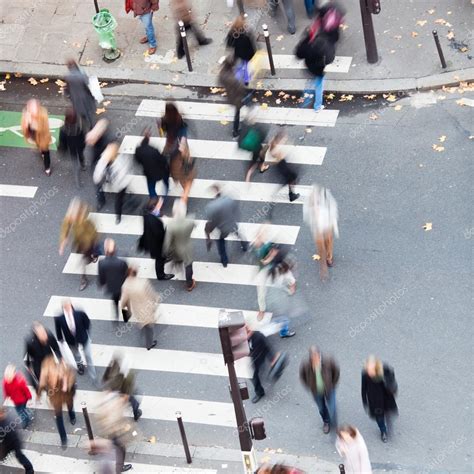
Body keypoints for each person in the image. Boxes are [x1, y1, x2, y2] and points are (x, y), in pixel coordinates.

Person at [295, 3, 343, 111]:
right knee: (318, 86)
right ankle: (317, 106)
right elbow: (330, 58)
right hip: (318, 70)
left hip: (308, 67)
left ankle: (306, 98)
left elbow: (298, 54)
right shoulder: (322, 45)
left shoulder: (306, 44)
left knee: (310, 82)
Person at [59, 197, 100, 291]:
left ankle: (83, 279)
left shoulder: (86, 220)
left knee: (85, 260)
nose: (71, 218)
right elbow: (65, 228)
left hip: (88, 243)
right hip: (79, 243)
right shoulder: (70, 218)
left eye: (73, 216)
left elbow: (93, 232)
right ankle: (84, 277)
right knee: (84, 260)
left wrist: (91, 243)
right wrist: (63, 242)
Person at [37, 356, 76, 449]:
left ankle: (72, 416)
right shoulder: (46, 368)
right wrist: (38, 394)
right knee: (58, 417)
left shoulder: (65, 368)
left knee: (70, 405)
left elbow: (72, 379)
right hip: (55, 396)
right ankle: (63, 439)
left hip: (66, 394)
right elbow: (42, 383)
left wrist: (66, 382)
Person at [54, 299, 97, 382]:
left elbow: (87, 323)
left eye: (68, 306)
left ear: (71, 305)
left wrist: (86, 333)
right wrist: (60, 339)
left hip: (83, 337)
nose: (67, 308)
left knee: (88, 355)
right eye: (65, 307)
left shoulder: (79, 313)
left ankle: (93, 374)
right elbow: (58, 328)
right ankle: (79, 364)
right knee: (75, 353)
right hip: (70, 339)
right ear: (63, 307)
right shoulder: (59, 318)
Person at [205, 185, 247, 267]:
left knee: (221, 241)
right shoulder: (228, 200)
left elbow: (211, 221)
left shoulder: (211, 207)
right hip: (232, 223)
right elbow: (236, 210)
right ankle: (244, 245)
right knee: (237, 233)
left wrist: (208, 238)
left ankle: (224, 261)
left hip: (223, 228)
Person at [300, 346, 340, 433]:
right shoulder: (306, 365)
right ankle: (326, 421)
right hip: (316, 391)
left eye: (317, 356)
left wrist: (332, 384)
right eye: (313, 357)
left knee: (333, 407)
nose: (315, 359)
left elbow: (336, 372)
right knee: (321, 408)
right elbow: (302, 377)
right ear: (310, 357)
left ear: (319, 355)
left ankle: (334, 423)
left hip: (329, 389)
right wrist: (310, 386)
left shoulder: (328, 360)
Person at [303, 184, 339, 280]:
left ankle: (329, 256)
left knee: (328, 242)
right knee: (320, 246)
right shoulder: (309, 205)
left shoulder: (326, 200)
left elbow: (333, 211)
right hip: (317, 227)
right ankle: (324, 264)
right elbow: (307, 217)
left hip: (327, 224)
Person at [257, 257, 297, 338]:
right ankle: (281, 330)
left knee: (282, 316)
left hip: (276, 295)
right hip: (269, 291)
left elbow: (293, 284)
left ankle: (281, 330)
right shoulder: (271, 269)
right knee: (282, 316)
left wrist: (290, 291)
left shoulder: (286, 273)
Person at [93, 143, 132, 224]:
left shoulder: (121, 162)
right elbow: (98, 170)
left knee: (118, 201)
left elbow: (123, 176)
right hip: (107, 178)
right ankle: (101, 201)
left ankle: (118, 216)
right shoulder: (104, 159)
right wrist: (98, 179)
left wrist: (118, 185)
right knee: (99, 189)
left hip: (120, 184)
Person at [361, 356, 398, 443]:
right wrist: (364, 401)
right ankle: (383, 431)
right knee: (379, 418)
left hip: (386, 398)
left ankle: (389, 425)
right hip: (374, 400)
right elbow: (364, 387)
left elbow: (393, 384)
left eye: (371, 369)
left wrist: (386, 381)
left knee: (388, 414)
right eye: (368, 369)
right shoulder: (365, 374)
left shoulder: (385, 371)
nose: (369, 372)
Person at [120, 267, 159, 349]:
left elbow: (123, 300)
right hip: (147, 307)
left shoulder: (126, 285)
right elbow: (151, 293)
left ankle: (142, 328)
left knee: (143, 322)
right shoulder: (143, 282)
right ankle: (149, 344)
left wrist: (124, 307)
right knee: (149, 327)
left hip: (137, 309)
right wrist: (156, 299)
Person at [95, 389, 133, 472]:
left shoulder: (108, 397)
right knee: (121, 451)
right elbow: (115, 421)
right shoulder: (117, 402)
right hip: (115, 434)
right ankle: (119, 468)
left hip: (106, 432)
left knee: (110, 450)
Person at [138, 198, 175, 281]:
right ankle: (161, 275)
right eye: (159, 204)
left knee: (160, 257)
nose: (161, 205)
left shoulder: (146, 213)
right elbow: (159, 235)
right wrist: (165, 225)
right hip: (156, 244)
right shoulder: (154, 221)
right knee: (160, 259)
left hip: (151, 240)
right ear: (154, 207)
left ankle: (164, 259)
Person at [163, 200, 196, 291]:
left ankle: (177, 263)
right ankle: (189, 284)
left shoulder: (171, 225)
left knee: (178, 257)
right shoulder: (190, 221)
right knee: (188, 265)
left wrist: (166, 251)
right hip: (186, 247)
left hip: (176, 247)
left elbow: (167, 242)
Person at [246, 326, 282, 403]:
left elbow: (267, 347)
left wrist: (273, 358)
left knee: (259, 373)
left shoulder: (258, 336)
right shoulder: (242, 340)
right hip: (252, 359)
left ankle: (272, 375)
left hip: (260, 356)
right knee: (253, 376)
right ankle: (259, 392)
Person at [102, 353, 142, 421]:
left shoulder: (114, 364)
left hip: (115, 389)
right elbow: (127, 392)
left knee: (128, 400)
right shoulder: (128, 374)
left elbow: (106, 377)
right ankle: (136, 413)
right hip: (120, 390)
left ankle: (134, 412)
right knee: (133, 401)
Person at [85, 119, 114, 211]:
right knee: (97, 184)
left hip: (105, 162)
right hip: (98, 162)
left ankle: (102, 200)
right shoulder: (99, 139)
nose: (90, 143)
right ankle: (101, 200)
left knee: (99, 181)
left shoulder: (106, 140)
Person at [218, 56, 249, 138]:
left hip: (230, 97)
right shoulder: (233, 78)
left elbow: (220, 82)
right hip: (238, 98)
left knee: (237, 112)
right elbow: (240, 88)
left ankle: (235, 130)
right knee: (240, 112)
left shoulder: (222, 74)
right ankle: (236, 130)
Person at [25, 322, 62, 390]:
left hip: (50, 360)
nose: (45, 335)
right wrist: (28, 365)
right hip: (38, 363)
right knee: (41, 379)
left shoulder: (50, 336)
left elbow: (56, 348)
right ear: (37, 334)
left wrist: (60, 358)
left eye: (44, 332)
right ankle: (47, 389)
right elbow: (28, 354)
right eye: (42, 334)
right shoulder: (30, 342)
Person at [264, 131, 300, 202]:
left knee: (290, 178)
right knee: (291, 177)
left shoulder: (274, 144)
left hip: (281, 164)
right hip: (282, 165)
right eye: (283, 139)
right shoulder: (275, 148)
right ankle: (290, 194)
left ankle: (291, 194)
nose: (284, 140)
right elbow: (279, 157)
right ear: (279, 139)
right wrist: (288, 148)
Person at [98, 239, 129, 320]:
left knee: (115, 301)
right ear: (115, 249)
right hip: (123, 287)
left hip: (112, 287)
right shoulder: (121, 262)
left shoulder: (101, 263)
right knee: (125, 302)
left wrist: (102, 285)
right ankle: (125, 316)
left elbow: (102, 277)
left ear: (105, 251)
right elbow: (127, 275)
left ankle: (116, 314)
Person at [134, 129, 169, 199]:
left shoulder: (138, 150)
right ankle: (163, 198)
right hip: (161, 172)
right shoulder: (154, 150)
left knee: (151, 187)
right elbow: (163, 160)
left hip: (149, 174)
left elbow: (137, 161)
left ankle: (153, 197)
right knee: (166, 184)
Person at [21, 99, 52, 175]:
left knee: (46, 152)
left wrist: (34, 124)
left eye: (33, 109)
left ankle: (47, 167)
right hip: (34, 134)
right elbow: (24, 127)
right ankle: (40, 149)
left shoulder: (43, 114)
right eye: (30, 109)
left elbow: (45, 128)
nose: (32, 111)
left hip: (42, 136)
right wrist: (27, 123)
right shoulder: (26, 114)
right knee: (38, 145)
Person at [0, 407, 34, 473]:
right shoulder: (4, 421)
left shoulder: (7, 422)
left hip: (14, 442)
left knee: (19, 456)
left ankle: (30, 470)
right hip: (7, 443)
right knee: (17, 455)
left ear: (3, 413)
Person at [64, 60, 96, 130]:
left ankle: (81, 124)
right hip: (85, 98)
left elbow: (67, 88)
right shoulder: (82, 75)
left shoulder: (68, 77)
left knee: (79, 112)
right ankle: (91, 126)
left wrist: (67, 95)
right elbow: (88, 86)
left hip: (75, 99)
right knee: (89, 113)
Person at [58, 108, 86, 187]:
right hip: (80, 146)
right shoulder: (80, 126)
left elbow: (62, 141)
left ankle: (77, 179)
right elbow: (84, 136)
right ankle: (83, 164)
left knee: (74, 160)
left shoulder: (64, 129)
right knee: (81, 155)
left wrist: (62, 149)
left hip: (71, 148)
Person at [226, 15, 256, 86]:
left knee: (239, 65)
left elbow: (229, 44)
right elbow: (251, 43)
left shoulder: (232, 33)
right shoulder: (247, 32)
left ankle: (237, 77)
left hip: (238, 53)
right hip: (248, 53)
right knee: (246, 66)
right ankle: (246, 80)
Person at [239, 112, 270, 181]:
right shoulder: (257, 128)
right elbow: (262, 137)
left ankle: (256, 170)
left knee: (257, 158)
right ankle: (259, 169)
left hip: (252, 147)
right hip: (256, 147)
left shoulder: (246, 126)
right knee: (259, 158)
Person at [2, 365, 33, 429]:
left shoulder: (19, 381)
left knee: (21, 411)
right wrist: (6, 396)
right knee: (21, 410)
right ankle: (27, 417)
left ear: (13, 375)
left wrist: (29, 397)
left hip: (23, 400)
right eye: (7, 377)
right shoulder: (5, 382)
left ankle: (26, 421)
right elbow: (6, 390)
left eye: (9, 377)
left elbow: (25, 390)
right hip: (15, 400)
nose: (8, 379)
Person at [169, 137, 196, 203]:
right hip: (186, 173)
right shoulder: (182, 155)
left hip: (179, 174)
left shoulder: (173, 157)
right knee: (187, 189)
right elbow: (188, 161)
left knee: (185, 186)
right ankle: (183, 203)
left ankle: (184, 198)